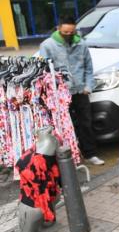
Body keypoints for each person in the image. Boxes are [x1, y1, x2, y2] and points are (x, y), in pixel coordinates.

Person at [39, 16, 105, 166]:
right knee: (65, 126)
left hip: (81, 91)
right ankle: (70, 157)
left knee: (86, 123)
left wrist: (89, 86)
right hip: (61, 94)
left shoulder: (81, 44)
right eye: (65, 32)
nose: (68, 35)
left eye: (71, 32)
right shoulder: (47, 45)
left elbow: (89, 67)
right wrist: (54, 91)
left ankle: (90, 154)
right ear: (58, 28)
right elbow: (45, 72)